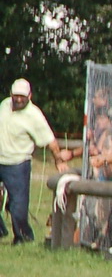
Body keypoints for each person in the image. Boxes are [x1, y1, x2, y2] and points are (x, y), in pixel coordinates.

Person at [0, 79, 72, 244]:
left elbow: (50, 140)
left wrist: (58, 160)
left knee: (18, 206)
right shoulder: (4, 105)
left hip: (17, 163)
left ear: (30, 96)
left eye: (22, 96)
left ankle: (23, 237)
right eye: (15, 95)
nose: (18, 99)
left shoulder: (34, 115)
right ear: (10, 94)